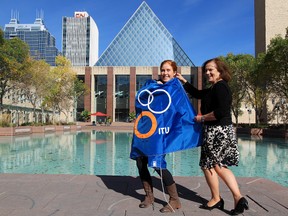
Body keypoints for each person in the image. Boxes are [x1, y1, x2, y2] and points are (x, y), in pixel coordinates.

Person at [176, 58, 249, 215]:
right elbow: (197, 93)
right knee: (207, 165)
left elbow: (221, 112)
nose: (207, 72)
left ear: (220, 71)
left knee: (218, 166)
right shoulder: (213, 88)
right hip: (213, 131)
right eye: (206, 70)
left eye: (211, 69)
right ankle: (216, 198)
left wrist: (201, 118)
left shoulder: (221, 87)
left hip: (218, 131)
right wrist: (183, 80)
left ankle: (238, 197)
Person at [136, 60, 181, 213]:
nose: (165, 73)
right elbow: (141, 100)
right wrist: (153, 87)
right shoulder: (152, 85)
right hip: (146, 130)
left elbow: (180, 110)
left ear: (174, 72)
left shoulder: (175, 88)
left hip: (161, 133)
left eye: (168, 70)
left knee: (157, 164)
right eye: (163, 70)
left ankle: (174, 200)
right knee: (141, 162)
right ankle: (149, 196)